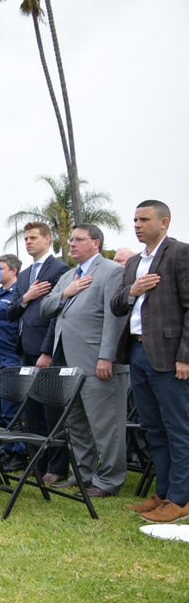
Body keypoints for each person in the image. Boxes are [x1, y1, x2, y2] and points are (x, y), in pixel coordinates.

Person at [111, 200, 189, 523]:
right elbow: (117, 304)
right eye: (135, 219)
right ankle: (164, 492)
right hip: (138, 353)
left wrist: (185, 357)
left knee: (178, 429)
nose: (137, 224)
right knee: (153, 429)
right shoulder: (132, 264)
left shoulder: (180, 253)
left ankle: (181, 499)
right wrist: (134, 289)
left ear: (164, 222)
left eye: (144, 219)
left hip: (170, 357)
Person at [40, 224, 129, 497]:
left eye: (79, 240)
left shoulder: (112, 272)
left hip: (97, 362)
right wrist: (65, 293)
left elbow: (116, 318)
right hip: (68, 362)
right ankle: (84, 474)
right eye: (71, 240)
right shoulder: (68, 277)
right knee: (76, 423)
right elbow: (46, 308)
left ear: (96, 243)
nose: (72, 244)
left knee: (106, 425)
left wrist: (107, 356)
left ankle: (108, 481)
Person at [6, 221, 69, 483]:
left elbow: (57, 314)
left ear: (47, 239)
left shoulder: (60, 269)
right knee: (31, 412)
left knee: (51, 410)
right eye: (26, 238)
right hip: (25, 348)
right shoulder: (24, 275)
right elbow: (11, 312)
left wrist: (47, 351)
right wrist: (27, 297)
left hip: (46, 349)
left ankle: (57, 467)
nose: (28, 242)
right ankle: (38, 465)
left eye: (33, 238)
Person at [0, 254, 26, 472]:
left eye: (1, 268)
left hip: (11, 356)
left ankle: (19, 453)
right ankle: (7, 450)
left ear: (13, 271)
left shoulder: (17, 295)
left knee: (11, 409)